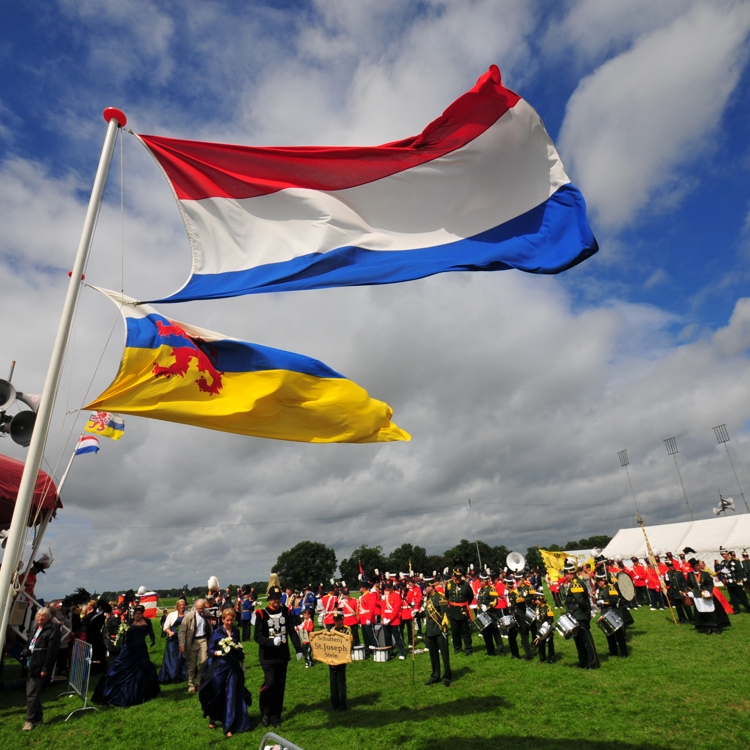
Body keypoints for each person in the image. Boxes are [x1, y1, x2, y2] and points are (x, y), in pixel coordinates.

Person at [254, 585, 303, 729]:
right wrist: (270, 641)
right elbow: (257, 636)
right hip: (267, 656)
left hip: (282, 655)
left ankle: (276, 717)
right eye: (273, 599)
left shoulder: (286, 611)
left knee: (280, 686)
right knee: (270, 684)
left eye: (278, 598)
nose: (276, 601)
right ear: (269, 599)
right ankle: (265, 712)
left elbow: (292, 631)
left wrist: (298, 649)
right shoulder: (261, 614)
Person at [199, 608, 253, 737]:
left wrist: (242, 661)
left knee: (232, 695)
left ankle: (229, 725)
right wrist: (218, 652)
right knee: (217, 693)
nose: (229, 622)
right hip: (219, 667)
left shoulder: (236, 631)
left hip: (233, 667)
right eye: (227, 620)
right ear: (222, 620)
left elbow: (239, 647)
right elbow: (210, 651)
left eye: (232, 620)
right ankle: (213, 716)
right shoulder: (217, 633)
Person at [92, 605, 160, 707]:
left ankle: (143, 691)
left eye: (139, 613)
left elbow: (151, 632)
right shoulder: (129, 621)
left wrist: (152, 640)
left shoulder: (147, 621)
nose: (137, 615)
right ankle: (110, 690)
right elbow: (123, 634)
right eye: (136, 613)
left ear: (142, 614)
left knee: (144, 668)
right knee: (121, 667)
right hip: (129, 648)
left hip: (140, 649)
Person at [22, 608, 60, 731]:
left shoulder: (53, 630)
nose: (40, 618)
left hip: (40, 664)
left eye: (43, 616)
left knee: (31, 693)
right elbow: (30, 643)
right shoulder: (35, 629)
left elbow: (52, 651)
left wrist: (46, 667)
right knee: (32, 692)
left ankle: (30, 720)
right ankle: (38, 717)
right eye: (38, 616)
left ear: (48, 617)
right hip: (31, 663)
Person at [562, 563, 599, 669]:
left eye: (566, 573)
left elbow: (580, 601)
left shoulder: (575, 583)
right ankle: (583, 661)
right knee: (578, 640)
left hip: (580, 615)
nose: (565, 576)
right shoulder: (574, 583)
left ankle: (593, 663)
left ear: (570, 573)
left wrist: (587, 611)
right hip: (575, 615)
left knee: (586, 641)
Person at [179, 598, 214, 694]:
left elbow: (210, 625)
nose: (200, 610)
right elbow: (182, 631)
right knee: (192, 664)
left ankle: (198, 681)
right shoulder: (189, 616)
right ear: (195, 607)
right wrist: (182, 643)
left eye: (201, 608)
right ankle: (191, 684)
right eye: (198, 608)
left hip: (203, 639)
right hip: (192, 641)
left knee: (204, 661)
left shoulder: (206, 613)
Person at [422, 580, 451, 687]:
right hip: (430, 629)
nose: (425, 588)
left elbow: (444, 614)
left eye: (426, 586)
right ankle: (435, 675)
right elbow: (427, 613)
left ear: (431, 587)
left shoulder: (440, 597)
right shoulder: (428, 599)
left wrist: (444, 626)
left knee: (444, 653)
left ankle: (447, 676)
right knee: (433, 654)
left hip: (439, 629)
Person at [594, 571, 628, 657]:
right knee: (609, 633)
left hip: (612, 611)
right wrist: (598, 602)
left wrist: (604, 602)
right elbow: (598, 601)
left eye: (600, 581)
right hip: (604, 612)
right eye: (597, 581)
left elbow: (615, 600)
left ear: (604, 580)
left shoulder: (611, 588)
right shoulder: (599, 590)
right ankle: (613, 652)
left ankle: (624, 652)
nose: (598, 583)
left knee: (619, 633)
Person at [444, 567, 474, 656]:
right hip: (453, 610)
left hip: (463, 610)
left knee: (465, 631)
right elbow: (447, 596)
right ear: (453, 576)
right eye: (456, 576)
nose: (458, 578)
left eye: (459, 576)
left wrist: (464, 604)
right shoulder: (449, 584)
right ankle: (457, 648)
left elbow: (470, 596)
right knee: (455, 631)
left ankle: (468, 649)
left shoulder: (466, 585)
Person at [159, 599, 188, 683]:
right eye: (180, 605)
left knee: (184, 657)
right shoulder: (171, 615)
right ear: (177, 606)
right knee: (173, 657)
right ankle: (172, 675)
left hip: (184, 639)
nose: (182, 606)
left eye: (184, 605)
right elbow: (166, 627)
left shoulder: (189, 614)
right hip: (173, 639)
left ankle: (184, 674)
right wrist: (170, 632)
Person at [716, 548, 750, 614]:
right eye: (722, 555)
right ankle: (736, 609)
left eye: (724, 554)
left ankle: (748, 608)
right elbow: (723, 572)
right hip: (729, 582)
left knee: (742, 596)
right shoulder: (723, 562)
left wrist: (740, 580)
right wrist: (719, 577)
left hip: (737, 581)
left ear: (727, 554)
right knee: (733, 596)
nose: (723, 556)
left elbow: (740, 571)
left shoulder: (735, 561)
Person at [328, 613, 351, 711]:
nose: (336, 622)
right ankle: (334, 704)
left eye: (337, 620)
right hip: (332, 659)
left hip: (341, 659)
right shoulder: (331, 629)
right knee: (333, 682)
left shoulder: (346, 629)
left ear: (342, 619)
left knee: (341, 682)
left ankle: (342, 704)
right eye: (334, 620)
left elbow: (349, 641)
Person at [532, 591, 555, 663]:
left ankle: (551, 658)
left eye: (537, 600)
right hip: (539, 627)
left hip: (547, 628)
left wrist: (547, 624)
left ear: (541, 600)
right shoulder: (537, 607)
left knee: (550, 643)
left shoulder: (548, 608)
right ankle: (542, 658)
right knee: (540, 643)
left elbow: (551, 619)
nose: (535, 601)